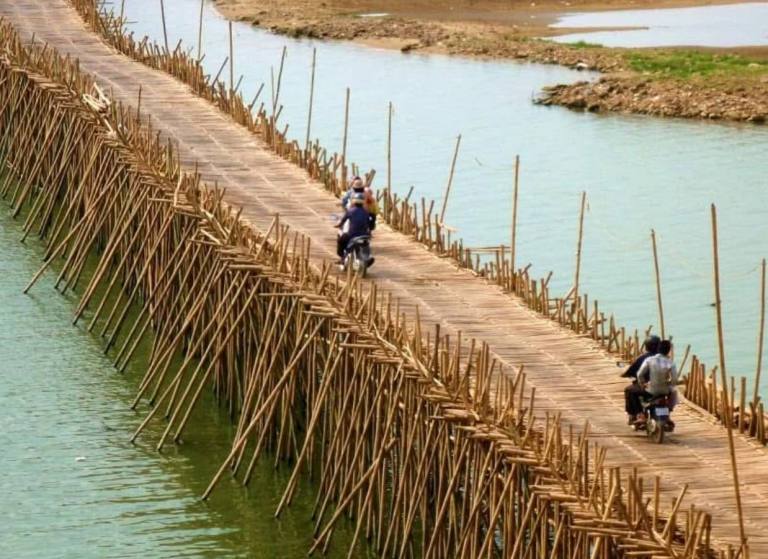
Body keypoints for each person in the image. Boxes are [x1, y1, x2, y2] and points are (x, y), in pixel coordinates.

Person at [636, 339, 678, 424]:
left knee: (638, 395)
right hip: (665, 390)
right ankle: (669, 412)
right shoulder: (670, 362)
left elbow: (639, 374)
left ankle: (641, 414)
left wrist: (643, 383)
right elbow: (674, 380)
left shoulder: (649, 360)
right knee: (675, 393)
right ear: (668, 351)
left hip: (651, 389)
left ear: (658, 349)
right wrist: (669, 384)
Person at [623, 335, 661, 425]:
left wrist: (624, 374)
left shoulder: (643, 358)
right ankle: (667, 418)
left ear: (646, 345)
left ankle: (640, 415)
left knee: (629, 390)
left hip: (649, 387)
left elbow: (633, 371)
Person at [336, 192, 370, 264]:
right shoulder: (366, 212)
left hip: (352, 234)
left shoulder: (350, 211)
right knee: (367, 244)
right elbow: (368, 223)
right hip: (365, 234)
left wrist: (338, 225)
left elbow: (342, 221)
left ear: (354, 202)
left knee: (341, 240)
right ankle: (366, 257)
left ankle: (342, 256)